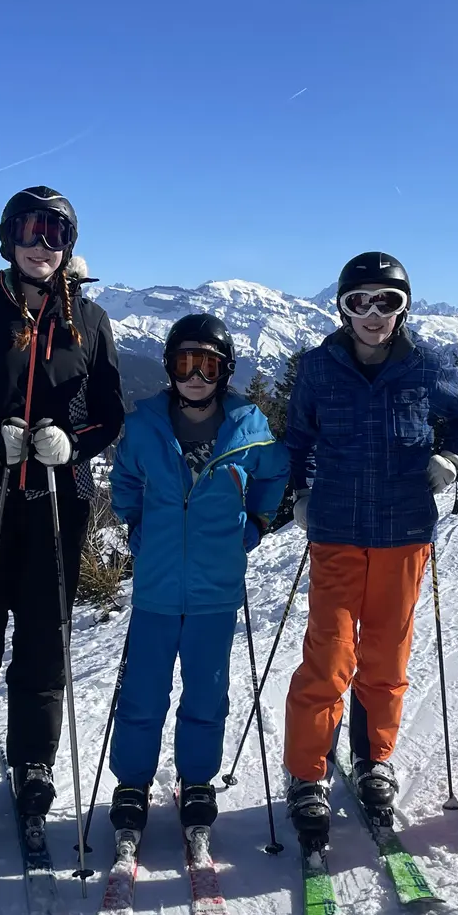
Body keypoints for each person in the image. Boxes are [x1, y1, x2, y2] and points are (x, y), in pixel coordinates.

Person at [0, 185, 124, 832]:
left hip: (58, 504)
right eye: (32, 231)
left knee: (45, 641)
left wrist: (74, 446)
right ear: (8, 238)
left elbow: (111, 414)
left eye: (58, 233)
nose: (43, 246)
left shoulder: (89, 322)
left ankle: (32, 762)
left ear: (71, 245)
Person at [283, 252, 458, 846]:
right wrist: (299, 491)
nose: (373, 314)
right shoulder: (319, 368)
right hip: (337, 530)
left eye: (387, 302)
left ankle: (374, 760)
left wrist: (453, 457)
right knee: (329, 653)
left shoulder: (428, 364)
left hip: (403, 532)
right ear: (342, 307)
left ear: (404, 307)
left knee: (387, 657)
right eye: (359, 302)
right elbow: (298, 437)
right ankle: (307, 771)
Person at [107, 313, 288, 834]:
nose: (195, 376)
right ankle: (132, 782)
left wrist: (254, 522)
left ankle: (198, 780)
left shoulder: (249, 428)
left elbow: (273, 474)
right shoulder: (144, 425)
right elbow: (125, 483)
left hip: (215, 589)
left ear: (225, 371)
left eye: (207, 365)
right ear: (169, 366)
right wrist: (137, 525)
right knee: (143, 690)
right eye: (185, 362)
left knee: (207, 692)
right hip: (157, 587)